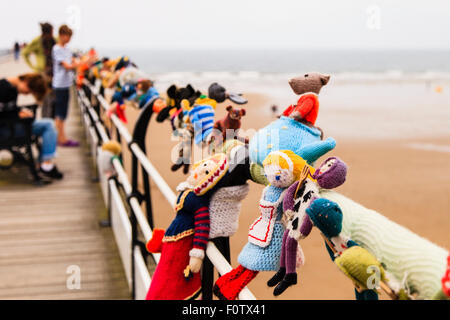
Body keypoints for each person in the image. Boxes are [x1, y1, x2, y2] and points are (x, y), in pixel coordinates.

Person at [0, 73, 63, 180]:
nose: (27, 94)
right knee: (48, 125)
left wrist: (20, 111)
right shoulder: (3, 88)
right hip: (6, 130)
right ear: (26, 83)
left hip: (13, 126)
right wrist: (18, 115)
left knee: (48, 124)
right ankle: (45, 166)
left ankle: (44, 164)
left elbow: (8, 109)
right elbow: (5, 113)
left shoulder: (12, 88)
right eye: (28, 91)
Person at [52, 25, 79, 147]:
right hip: (59, 85)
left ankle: (62, 137)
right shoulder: (57, 49)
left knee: (63, 113)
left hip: (66, 84)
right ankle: (60, 139)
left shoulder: (66, 49)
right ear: (62, 35)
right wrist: (83, 63)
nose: (69, 39)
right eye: (68, 36)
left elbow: (72, 61)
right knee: (60, 114)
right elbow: (67, 66)